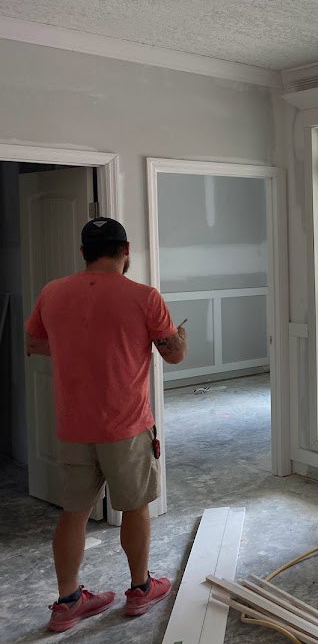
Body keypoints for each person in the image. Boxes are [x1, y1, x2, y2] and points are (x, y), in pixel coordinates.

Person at [24, 217, 188, 632]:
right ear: (126, 250)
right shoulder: (144, 296)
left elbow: (34, 343)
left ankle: (68, 603)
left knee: (74, 512)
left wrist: (78, 347)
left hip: (74, 425)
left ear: (84, 252)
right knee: (135, 506)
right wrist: (179, 338)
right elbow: (173, 355)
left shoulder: (53, 292)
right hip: (126, 426)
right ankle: (140, 589)